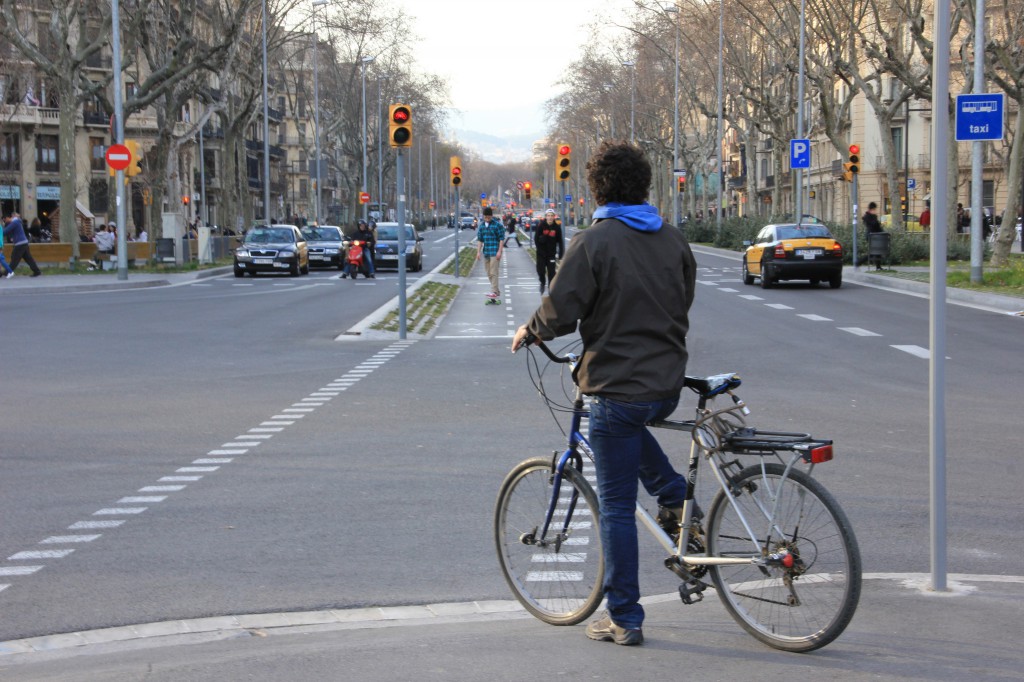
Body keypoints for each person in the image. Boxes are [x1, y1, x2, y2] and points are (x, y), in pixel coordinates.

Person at [511, 141, 697, 646]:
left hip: (617, 383)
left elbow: (561, 309)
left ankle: (624, 617)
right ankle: (677, 496)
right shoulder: (673, 239)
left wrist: (531, 330)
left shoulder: (595, 241)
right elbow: (684, 301)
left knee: (615, 505)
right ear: (645, 185)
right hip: (666, 384)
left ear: (595, 188)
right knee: (629, 428)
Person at [476, 206, 504, 300]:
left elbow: (501, 239)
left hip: (495, 252)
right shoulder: (482, 226)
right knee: (488, 273)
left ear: (491, 216)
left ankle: (493, 291)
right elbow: (480, 240)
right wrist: (478, 252)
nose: (487, 219)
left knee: (493, 272)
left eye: (489, 217)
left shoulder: (497, 225)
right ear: (483, 216)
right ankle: (496, 290)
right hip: (486, 252)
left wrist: (499, 251)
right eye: (485, 217)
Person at [533, 208, 564, 294]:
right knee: (541, 271)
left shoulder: (557, 228)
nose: (550, 218)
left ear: (554, 217)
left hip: (551, 254)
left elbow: (560, 242)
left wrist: (561, 254)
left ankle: (551, 288)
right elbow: (535, 239)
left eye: (552, 216)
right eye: (548, 216)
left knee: (551, 272)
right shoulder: (541, 226)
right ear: (546, 217)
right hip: (541, 254)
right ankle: (542, 283)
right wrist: (540, 243)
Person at [2, 211, 42, 277]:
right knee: (29, 259)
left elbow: (5, 231)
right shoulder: (16, 222)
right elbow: (9, 233)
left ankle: (6, 272)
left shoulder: (15, 223)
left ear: (7, 218)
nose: (5, 222)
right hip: (23, 242)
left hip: (20, 243)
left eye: (4, 220)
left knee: (14, 259)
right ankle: (37, 271)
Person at [862, 202, 884, 270]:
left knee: (877, 251)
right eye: (874, 209)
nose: (875, 211)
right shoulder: (867, 216)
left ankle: (878, 266)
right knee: (873, 252)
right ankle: (859, 262)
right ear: (871, 209)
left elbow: (878, 227)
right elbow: (873, 225)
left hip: (876, 236)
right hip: (871, 236)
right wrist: (875, 218)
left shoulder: (873, 216)